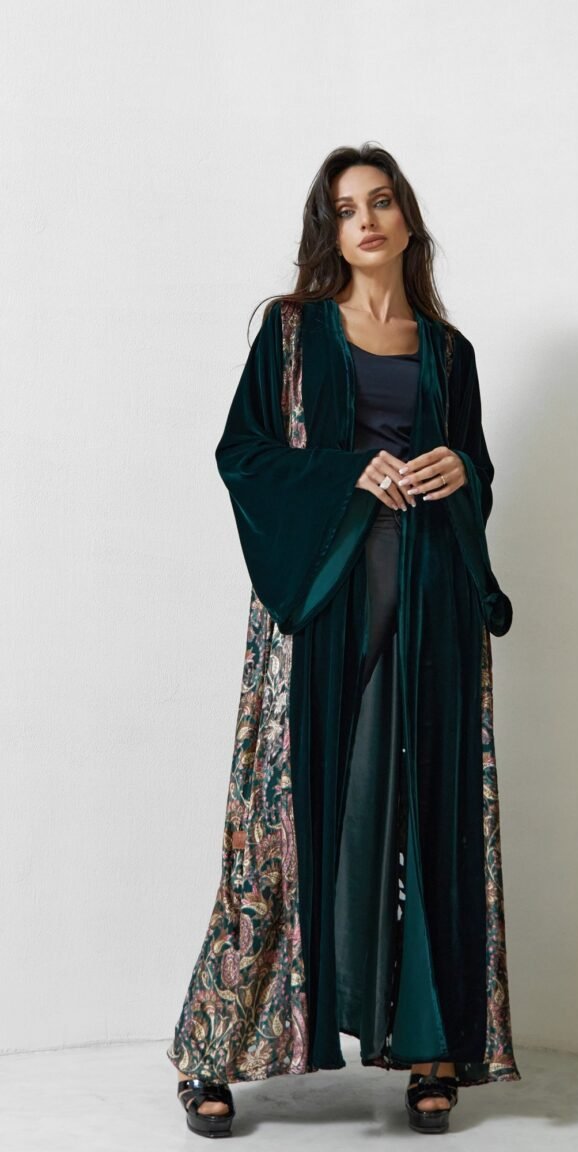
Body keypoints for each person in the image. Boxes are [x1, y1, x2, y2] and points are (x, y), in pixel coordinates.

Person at [168, 142, 521, 1138]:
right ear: (328, 231)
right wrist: (343, 473)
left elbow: (476, 472)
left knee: (421, 813)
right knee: (284, 824)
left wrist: (459, 471)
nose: (365, 220)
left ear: (407, 218)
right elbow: (242, 456)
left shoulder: (448, 352)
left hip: (430, 609)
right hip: (321, 609)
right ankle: (214, 1052)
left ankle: (432, 1050)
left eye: (381, 201)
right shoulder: (291, 333)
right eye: (344, 209)